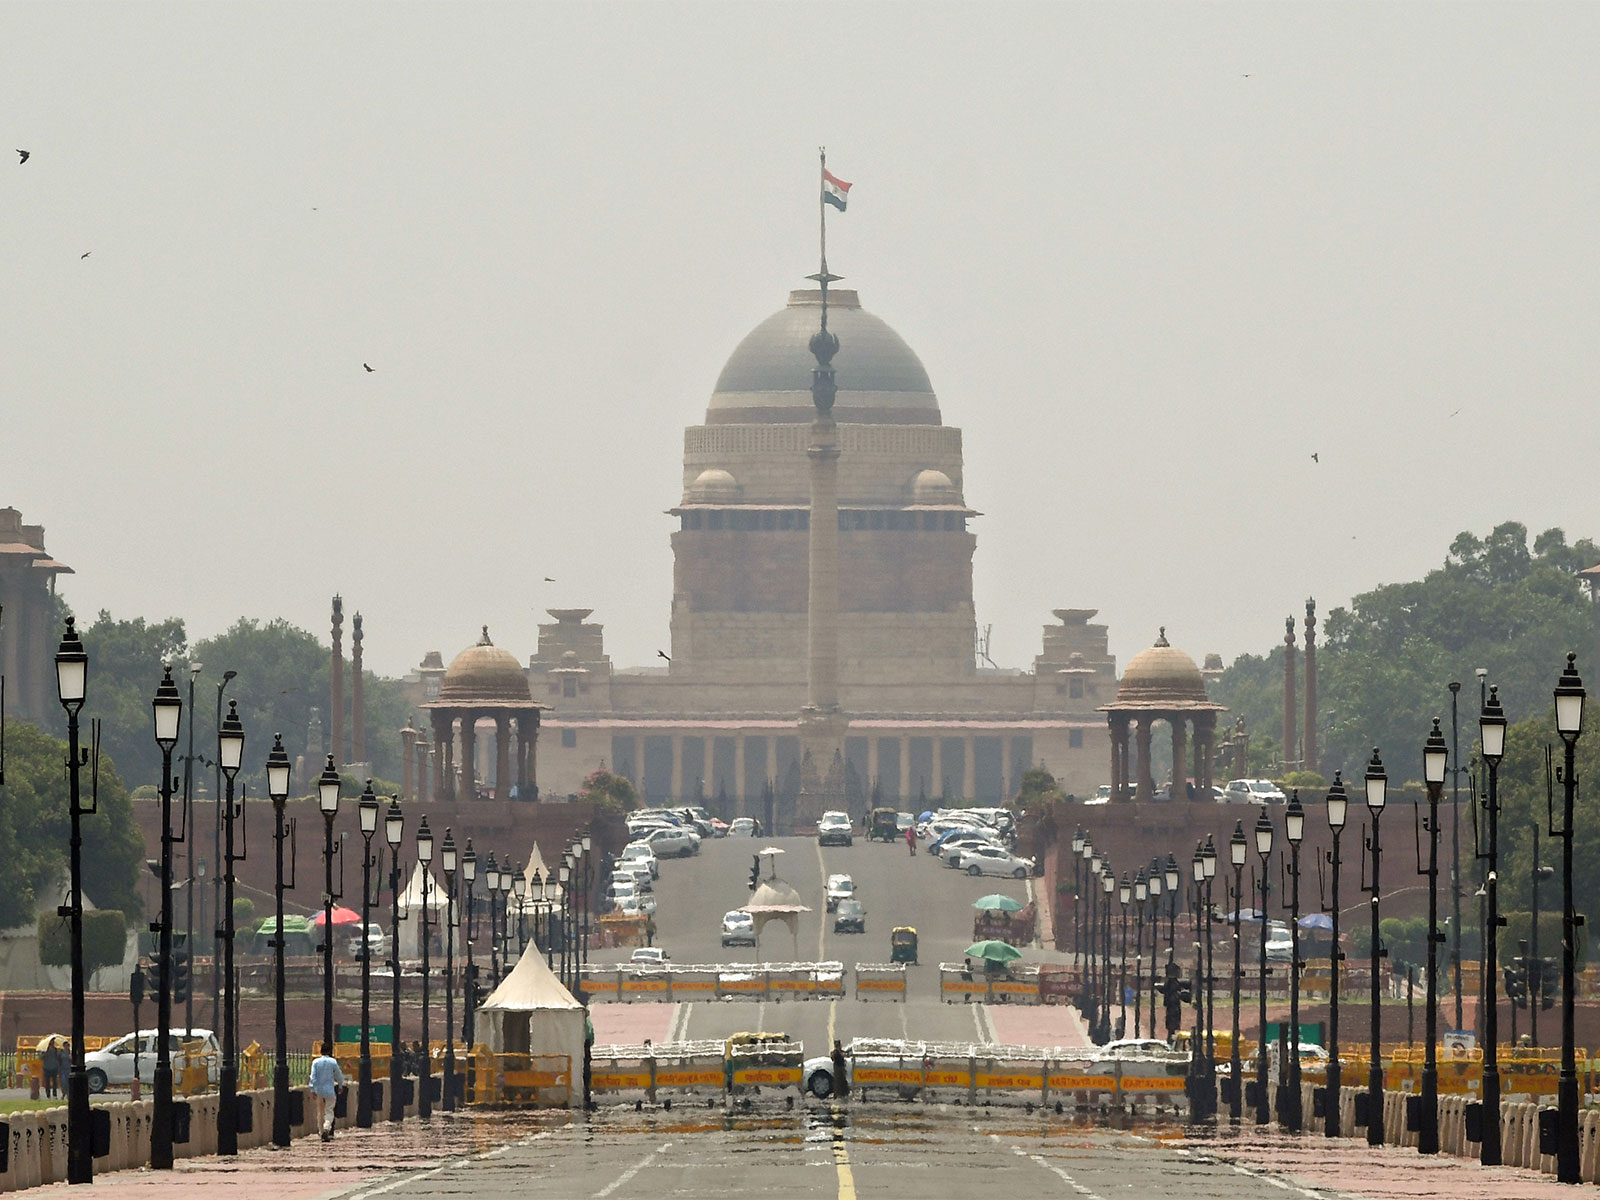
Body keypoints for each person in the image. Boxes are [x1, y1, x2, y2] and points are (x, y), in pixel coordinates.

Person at [308, 1042, 346, 1141]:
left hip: (319, 1090)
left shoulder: (316, 1062)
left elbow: (313, 1077)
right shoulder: (333, 1062)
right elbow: (338, 1075)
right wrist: (341, 1085)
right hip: (329, 1090)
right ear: (329, 1051)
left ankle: (321, 1132)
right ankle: (326, 1127)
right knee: (329, 1110)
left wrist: (312, 1089)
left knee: (320, 1112)